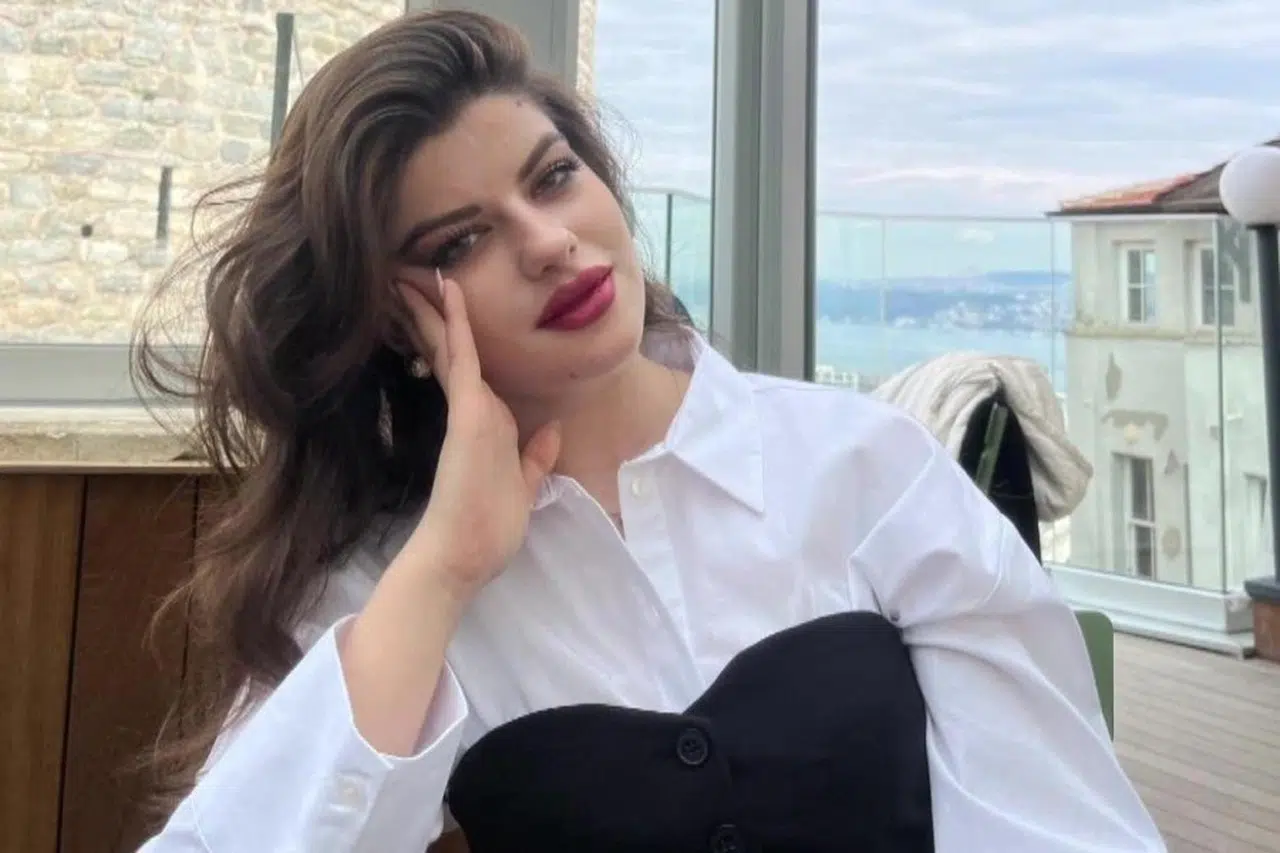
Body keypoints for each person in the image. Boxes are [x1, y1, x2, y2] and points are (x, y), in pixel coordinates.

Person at [132, 9, 1166, 853]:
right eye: (460, 241)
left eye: (551, 178)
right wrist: (444, 572)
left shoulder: (867, 468)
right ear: (397, 323)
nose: (549, 243)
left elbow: (1058, 821)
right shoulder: (395, 585)